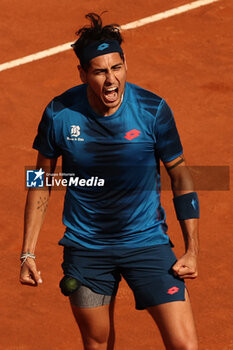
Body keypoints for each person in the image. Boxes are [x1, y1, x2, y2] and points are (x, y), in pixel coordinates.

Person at [20, 13, 199, 350]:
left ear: (125, 64)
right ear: (83, 73)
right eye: (100, 71)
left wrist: (192, 248)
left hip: (147, 242)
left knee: (185, 345)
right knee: (97, 345)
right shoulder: (59, 114)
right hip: (87, 250)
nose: (111, 80)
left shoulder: (152, 110)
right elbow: (40, 180)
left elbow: (180, 173)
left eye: (116, 68)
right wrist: (27, 253)